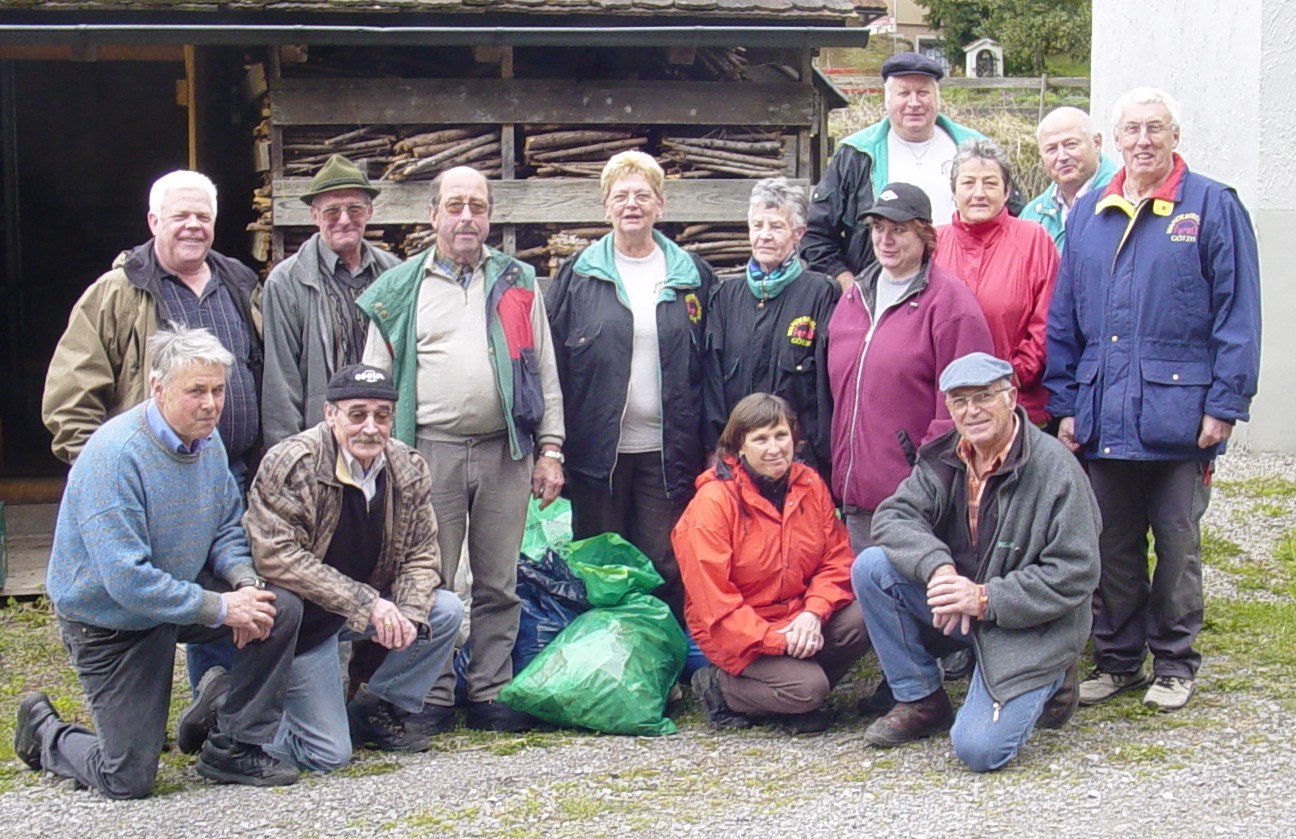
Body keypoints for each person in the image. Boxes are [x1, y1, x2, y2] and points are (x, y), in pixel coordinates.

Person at [1044, 87, 1262, 712]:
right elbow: (1065, 318)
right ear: (1115, 140)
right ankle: (1118, 660)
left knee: (1176, 544)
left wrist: (1224, 403)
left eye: (1156, 128)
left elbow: (1239, 313)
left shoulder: (1212, 205)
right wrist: (1065, 403)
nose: (1144, 140)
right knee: (1111, 544)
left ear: (1175, 136)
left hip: (1180, 415)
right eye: (1133, 129)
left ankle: (1173, 662)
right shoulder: (1090, 213)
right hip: (1102, 410)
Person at [14, 326, 301, 798]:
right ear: (157, 387)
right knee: (126, 778)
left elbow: (227, 526)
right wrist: (221, 608)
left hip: (175, 593)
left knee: (277, 608)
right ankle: (44, 732)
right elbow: (127, 581)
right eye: (196, 391)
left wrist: (245, 583)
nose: (210, 404)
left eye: (217, 390)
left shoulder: (206, 441)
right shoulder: (115, 457)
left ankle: (235, 745)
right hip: (111, 621)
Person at [358, 165, 565, 734]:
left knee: (499, 580)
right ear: (433, 215)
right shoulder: (401, 288)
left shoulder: (517, 281)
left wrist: (551, 447)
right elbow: (375, 380)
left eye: (478, 206)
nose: (467, 217)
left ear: (490, 216)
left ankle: (490, 689)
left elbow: (543, 367)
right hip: (429, 452)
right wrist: (376, 455)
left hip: (506, 450)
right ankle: (433, 692)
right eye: (455, 206)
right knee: (431, 578)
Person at [41, 169, 263, 691]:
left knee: (227, 582)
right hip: (153, 476)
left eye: (203, 216)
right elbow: (71, 394)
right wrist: (102, 475)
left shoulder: (239, 283)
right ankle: (154, 690)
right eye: (180, 215)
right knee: (161, 587)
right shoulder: (118, 293)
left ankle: (215, 702)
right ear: (153, 221)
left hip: (230, 467)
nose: (193, 225)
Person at [851, 352, 1101, 772]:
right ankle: (920, 699)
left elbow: (1076, 573)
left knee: (980, 750)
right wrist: (939, 569)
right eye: (960, 401)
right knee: (873, 567)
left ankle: (1055, 673)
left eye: (984, 396)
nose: (972, 411)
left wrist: (984, 598)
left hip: (1031, 627)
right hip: (964, 606)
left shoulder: (1056, 469)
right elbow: (894, 516)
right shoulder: (946, 455)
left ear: (1011, 398)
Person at [238, 364, 464, 767]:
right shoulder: (294, 462)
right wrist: (367, 603)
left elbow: (421, 554)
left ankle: (374, 709)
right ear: (330, 414)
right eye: (357, 414)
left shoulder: (407, 465)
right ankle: (229, 718)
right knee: (328, 755)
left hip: (361, 610)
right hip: (304, 621)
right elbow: (275, 555)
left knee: (444, 611)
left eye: (382, 415)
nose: (370, 428)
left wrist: (408, 615)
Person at [546, 150, 716, 624]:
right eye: (620, 196)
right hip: (597, 453)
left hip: (668, 451)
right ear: (606, 207)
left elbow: (712, 365)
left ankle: (658, 653)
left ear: (660, 204)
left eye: (643, 195)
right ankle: (603, 654)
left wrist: (711, 444)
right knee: (600, 561)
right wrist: (551, 446)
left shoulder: (692, 275)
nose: (632, 204)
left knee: (664, 561)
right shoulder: (578, 274)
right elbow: (551, 361)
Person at [674, 393, 870, 733]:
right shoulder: (713, 503)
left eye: (781, 435)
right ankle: (720, 687)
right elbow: (714, 603)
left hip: (797, 615)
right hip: (736, 631)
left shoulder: (809, 484)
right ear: (739, 446)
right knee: (808, 689)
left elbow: (836, 559)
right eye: (760, 439)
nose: (774, 448)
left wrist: (813, 613)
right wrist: (778, 640)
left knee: (866, 615)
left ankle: (790, 694)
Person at [827, 182, 993, 554]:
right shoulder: (854, 297)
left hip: (918, 508)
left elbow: (965, 409)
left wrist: (925, 480)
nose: (885, 239)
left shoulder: (950, 305)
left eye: (898, 229)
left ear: (924, 235)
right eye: (878, 228)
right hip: (856, 502)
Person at [802, 52, 1021, 292]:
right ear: (887, 101)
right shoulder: (856, 155)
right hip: (880, 295)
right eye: (904, 93)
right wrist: (849, 286)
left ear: (937, 99)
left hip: (969, 290)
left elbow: (1016, 217)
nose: (914, 103)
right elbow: (817, 236)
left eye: (923, 92)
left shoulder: (975, 148)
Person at [260, 154, 403, 448]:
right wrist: (290, 454)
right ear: (314, 216)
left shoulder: (394, 274)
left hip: (384, 437)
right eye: (332, 211)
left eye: (354, 209)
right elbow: (280, 382)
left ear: (369, 211)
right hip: (321, 441)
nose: (344, 220)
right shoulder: (286, 282)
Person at [702, 178, 838, 482]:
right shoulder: (724, 297)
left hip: (799, 460)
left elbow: (825, 386)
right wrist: (716, 449)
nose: (764, 235)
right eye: (757, 225)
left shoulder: (820, 294)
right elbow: (711, 380)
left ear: (798, 233)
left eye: (776, 226)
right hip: (737, 460)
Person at [935, 139, 1060, 427]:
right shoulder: (934, 243)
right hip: (948, 408)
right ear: (953, 191)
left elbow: (1049, 319)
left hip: (1017, 405)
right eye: (968, 183)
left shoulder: (1033, 239)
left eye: (990, 183)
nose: (979, 193)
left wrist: (1012, 376)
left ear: (1006, 191)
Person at [1021, 107, 1119, 252]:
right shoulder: (1032, 214)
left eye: (1071, 144)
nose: (1062, 157)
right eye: (1051, 149)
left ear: (1097, 143)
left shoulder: (1122, 200)